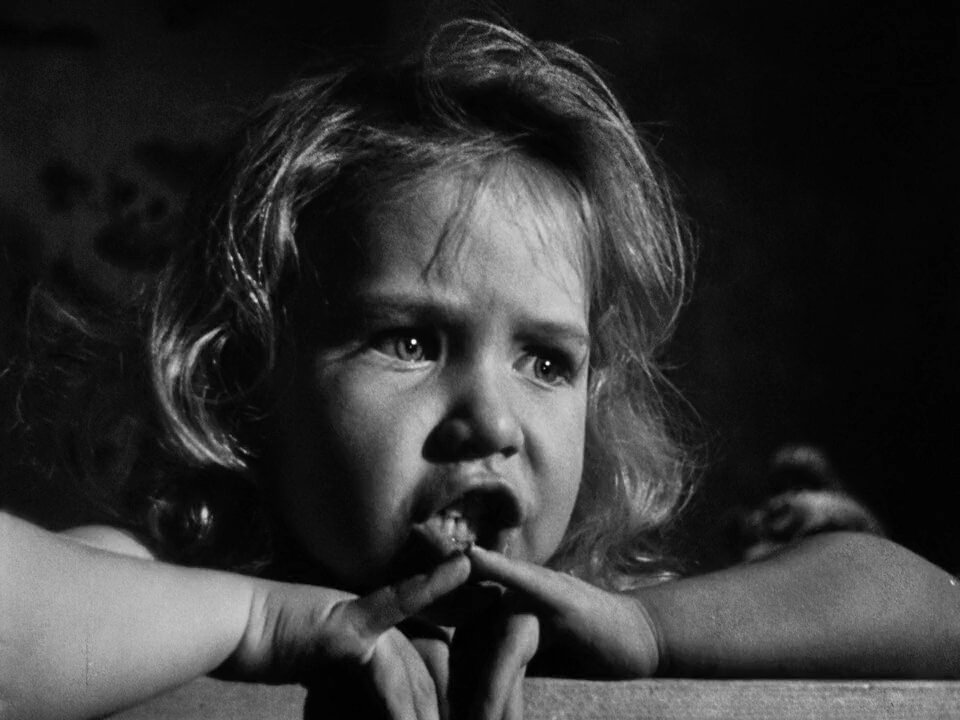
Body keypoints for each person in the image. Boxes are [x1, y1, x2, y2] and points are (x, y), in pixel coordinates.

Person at [1, 18, 958, 720]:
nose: (492, 421)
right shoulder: (171, 585)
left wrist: (651, 631)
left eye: (546, 360)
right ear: (246, 374)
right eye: (412, 342)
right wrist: (257, 619)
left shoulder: (585, 622)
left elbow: (931, 612)